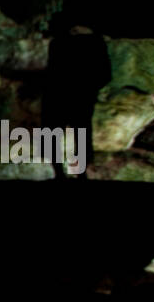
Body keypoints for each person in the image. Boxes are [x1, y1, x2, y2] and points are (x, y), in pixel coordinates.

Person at [43, 11, 111, 180]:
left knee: (55, 131)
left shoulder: (59, 43)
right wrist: (90, 87)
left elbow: (52, 72)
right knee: (80, 132)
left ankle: (60, 172)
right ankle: (78, 172)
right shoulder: (95, 43)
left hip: (61, 94)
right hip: (79, 95)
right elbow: (105, 74)